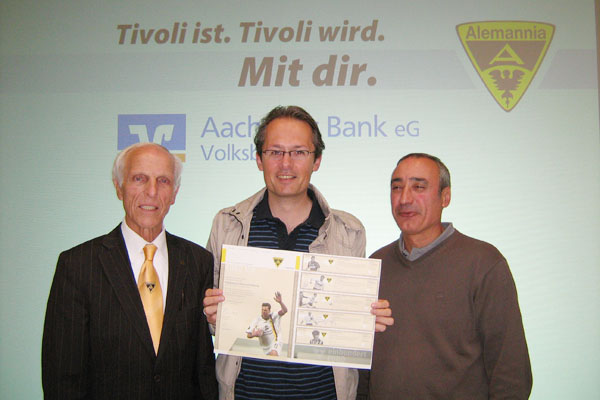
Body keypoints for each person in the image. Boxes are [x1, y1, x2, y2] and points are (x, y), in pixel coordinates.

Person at [202, 105, 393, 400]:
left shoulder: (349, 231)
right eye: (275, 152)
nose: (286, 164)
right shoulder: (228, 224)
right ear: (259, 159)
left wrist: (365, 320)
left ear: (317, 160)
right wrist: (212, 316)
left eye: (299, 152)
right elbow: (211, 320)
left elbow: (344, 320)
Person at [42, 143, 218, 400]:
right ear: (119, 187)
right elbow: (63, 376)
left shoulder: (198, 262)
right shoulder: (78, 266)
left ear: (174, 193)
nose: (152, 191)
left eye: (163, 181)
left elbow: (203, 370)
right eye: (139, 179)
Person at [365, 153, 532, 399]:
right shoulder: (375, 265)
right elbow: (361, 367)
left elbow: (511, 372)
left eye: (419, 187)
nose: (404, 198)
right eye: (397, 187)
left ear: (445, 197)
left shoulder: (484, 263)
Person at [245, 292, 288, 356]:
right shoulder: (256, 320)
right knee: (270, 359)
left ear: (269, 311)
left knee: (273, 354)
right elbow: (248, 335)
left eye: (265, 310)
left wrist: (280, 302)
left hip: (276, 341)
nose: (263, 312)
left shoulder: (274, 315)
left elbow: (285, 311)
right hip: (265, 347)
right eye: (262, 310)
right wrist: (255, 334)